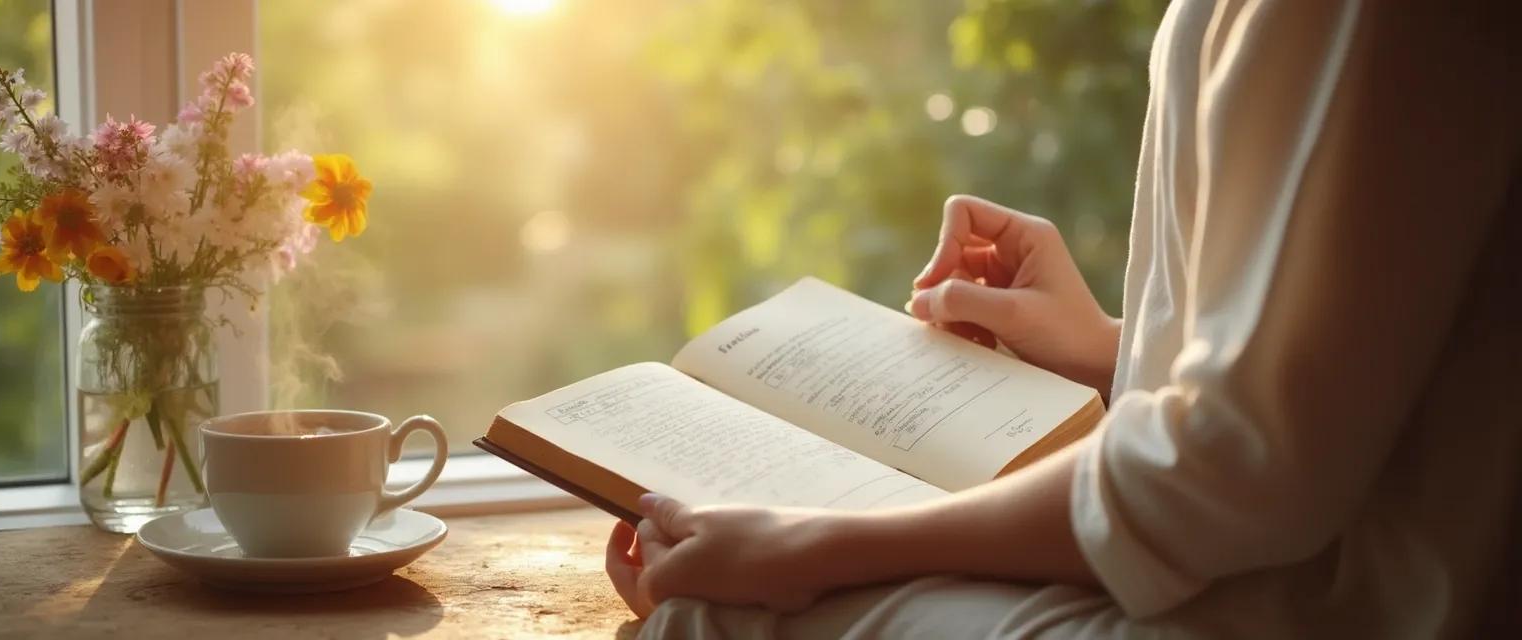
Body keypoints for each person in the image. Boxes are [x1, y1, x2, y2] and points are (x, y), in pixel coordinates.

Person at [605, 0, 1522, 637]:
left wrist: (812, 545)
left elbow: (1242, 470)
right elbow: (1354, 385)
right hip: (1286, 580)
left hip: (1320, 614)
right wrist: (1116, 355)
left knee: (723, 612)